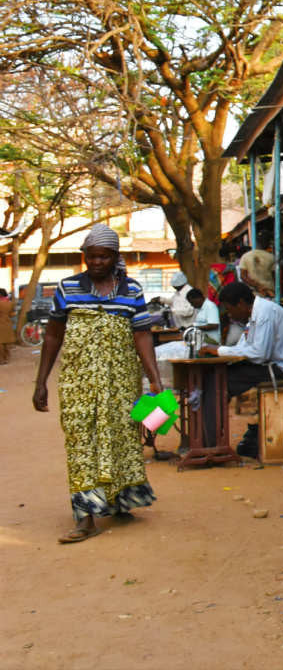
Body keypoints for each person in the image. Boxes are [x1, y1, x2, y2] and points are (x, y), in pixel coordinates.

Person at [32, 225, 162, 543]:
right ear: (84, 257)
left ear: (115, 257)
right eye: (92, 256)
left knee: (121, 440)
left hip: (121, 383)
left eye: (104, 256)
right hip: (78, 384)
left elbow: (141, 335)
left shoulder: (131, 290)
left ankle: (122, 502)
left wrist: (155, 379)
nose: (97, 262)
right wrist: (41, 382)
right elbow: (52, 336)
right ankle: (85, 517)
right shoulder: (67, 288)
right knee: (81, 447)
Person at [201, 281, 283, 399]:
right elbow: (244, 347)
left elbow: (259, 353)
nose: (230, 315)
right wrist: (221, 351)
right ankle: (213, 415)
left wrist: (219, 350)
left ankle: (212, 416)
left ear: (241, 304)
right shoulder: (254, 315)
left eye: (229, 310)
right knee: (218, 375)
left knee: (222, 381)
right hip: (274, 364)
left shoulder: (264, 312)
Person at [0, 288, 14, 364]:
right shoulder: (10, 303)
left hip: (0, 324)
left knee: (0, 343)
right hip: (8, 324)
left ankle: (1, 359)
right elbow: (12, 314)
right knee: (7, 342)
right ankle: (7, 358)